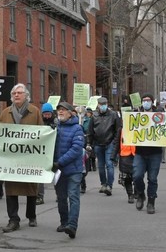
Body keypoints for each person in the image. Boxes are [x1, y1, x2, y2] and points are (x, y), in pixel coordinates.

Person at [0, 83, 42, 232]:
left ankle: (31, 215)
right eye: (14, 93)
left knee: (30, 187)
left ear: (26, 96)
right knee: (11, 189)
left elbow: (42, 134)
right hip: (11, 158)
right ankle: (13, 220)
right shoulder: (5, 113)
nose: (16, 95)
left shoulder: (35, 112)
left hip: (29, 157)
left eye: (19, 93)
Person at [52, 102, 85, 238]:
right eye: (59, 110)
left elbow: (76, 149)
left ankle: (72, 225)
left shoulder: (77, 129)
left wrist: (60, 162)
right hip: (59, 171)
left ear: (71, 113)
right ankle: (64, 222)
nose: (60, 112)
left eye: (64, 110)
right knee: (61, 197)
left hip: (73, 170)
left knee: (73, 197)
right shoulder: (55, 128)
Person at [133, 94, 164, 215]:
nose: (146, 102)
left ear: (152, 102)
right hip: (140, 152)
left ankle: (151, 201)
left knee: (152, 178)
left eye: (148, 100)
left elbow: (165, 130)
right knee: (137, 176)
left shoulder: (159, 115)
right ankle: (141, 194)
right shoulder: (136, 115)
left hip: (155, 153)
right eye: (144, 101)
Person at [86, 96, 121, 196]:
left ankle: (109, 186)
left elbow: (117, 130)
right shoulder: (94, 116)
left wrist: (115, 142)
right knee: (101, 166)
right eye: (101, 104)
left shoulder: (113, 115)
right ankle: (103, 184)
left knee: (109, 165)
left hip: (109, 143)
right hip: (98, 143)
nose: (103, 106)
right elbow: (90, 131)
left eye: (105, 104)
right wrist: (89, 143)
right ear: (98, 105)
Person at [38, 102, 57, 205]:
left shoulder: (56, 122)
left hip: (53, 151)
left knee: (55, 174)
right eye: (45, 114)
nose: (47, 116)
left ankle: (59, 194)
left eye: (48, 114)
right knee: (40, 173)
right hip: (42, 152)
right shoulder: (39, 122)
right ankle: (40, 196)